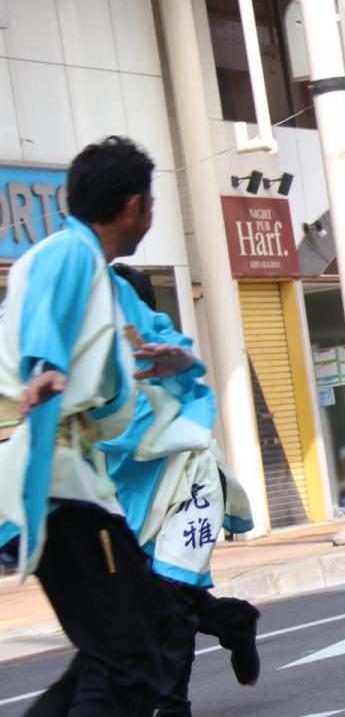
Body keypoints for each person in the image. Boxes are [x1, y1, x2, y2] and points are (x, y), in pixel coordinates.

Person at [0, 136, 195, 716]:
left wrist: (177, 360)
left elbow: (152, 335)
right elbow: (44, 318)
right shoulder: (68, 255)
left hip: (78, 485)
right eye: (152, 202)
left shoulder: (102, 277)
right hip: (62, 486)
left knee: (139, 632)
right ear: (135, 205)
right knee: (127, 660)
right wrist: (45, 366)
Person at [104, 263, 260, 716]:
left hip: (189, 481)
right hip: (140, 489)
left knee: (168, 598)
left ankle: (171, 706)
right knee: (159, 592)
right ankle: (233, 620)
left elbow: (136, 431)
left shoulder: (161, 352)